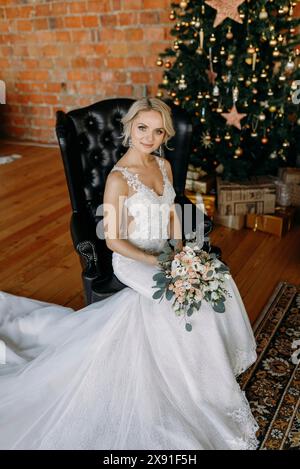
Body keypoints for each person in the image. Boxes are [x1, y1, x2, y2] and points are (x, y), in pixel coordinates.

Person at [0, 98, 259, 450]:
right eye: (142, 129)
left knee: (215, 280)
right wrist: (158, 265)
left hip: (165, 253)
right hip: (134, 257)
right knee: (177, 301)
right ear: (129, 128)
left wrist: (182, 253)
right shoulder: (118, 180)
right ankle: (188, 389)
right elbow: (114, 241)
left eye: (157, 131)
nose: (149, 138)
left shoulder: (164, 167)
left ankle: (206, 379)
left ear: (164, 134)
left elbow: (171, 216)